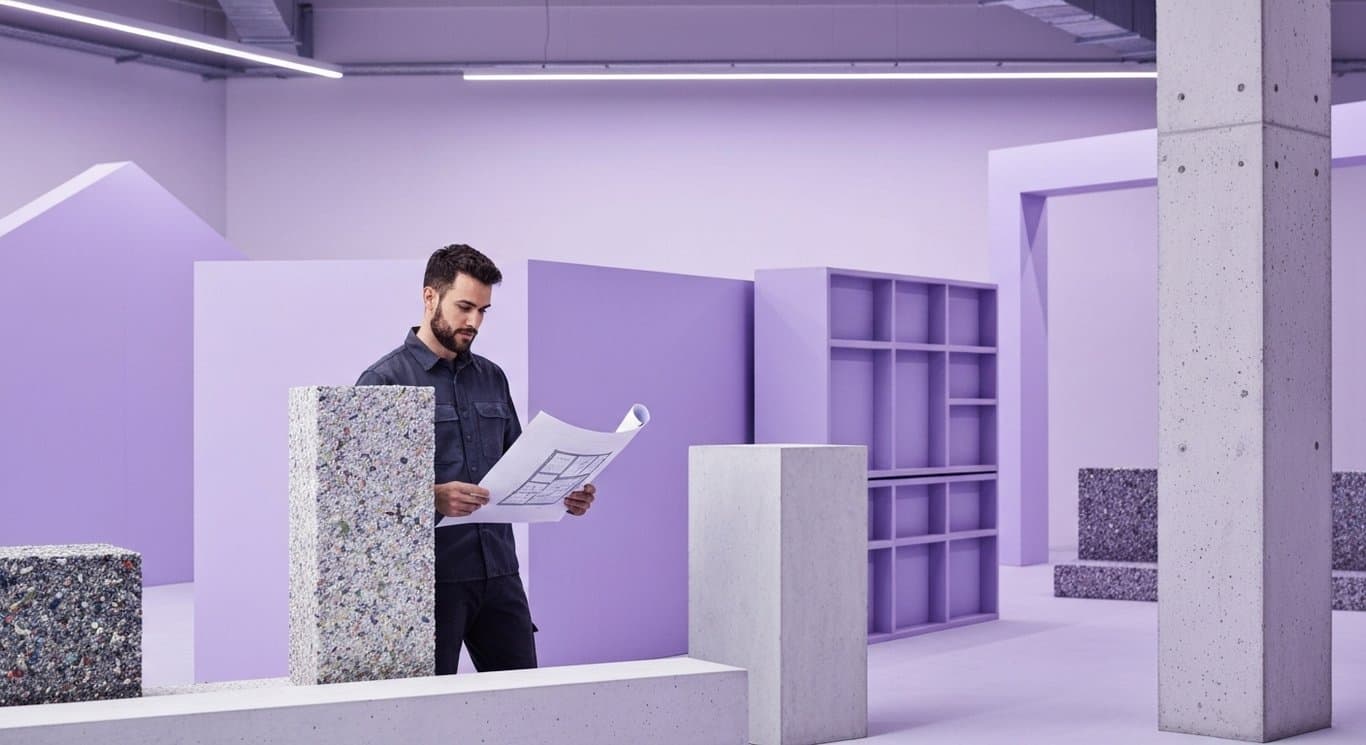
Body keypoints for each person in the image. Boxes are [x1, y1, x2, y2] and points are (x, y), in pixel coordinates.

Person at [357, 244, 596, 674]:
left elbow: (519, 465)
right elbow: (362, 495)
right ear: (430, 297)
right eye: (465, 307)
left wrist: (564, 490)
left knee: (522, 703)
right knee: (428, 713)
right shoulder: (383, 381)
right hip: (429, 581)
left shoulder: (492, 377)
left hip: (499, 572)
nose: (474, 322)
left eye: (484, 311)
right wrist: (430, 497)